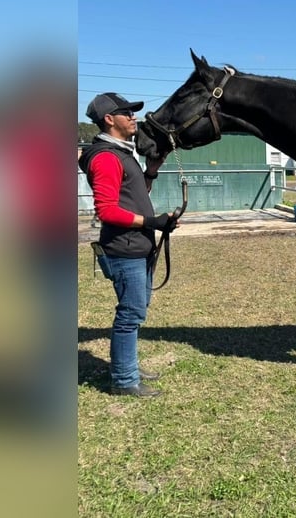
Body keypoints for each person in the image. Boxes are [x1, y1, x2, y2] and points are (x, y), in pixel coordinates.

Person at [78, 93, 178, 397]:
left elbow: (133, 194)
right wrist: (152, 223)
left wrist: (151, 169)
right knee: (130, 314)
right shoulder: (107, 157)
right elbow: (107, 210)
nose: (134, 117)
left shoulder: (121, 153)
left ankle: (127, 366)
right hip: (125, 249)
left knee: (136, 310)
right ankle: (123, 379)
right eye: (127, 113)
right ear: (110, 119)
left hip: (137, 247)